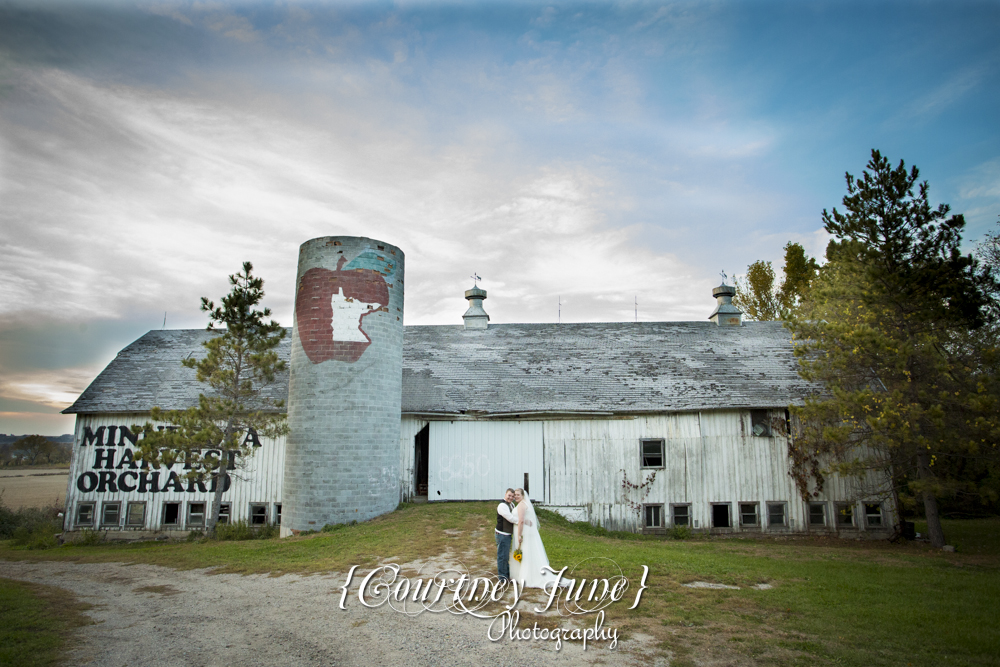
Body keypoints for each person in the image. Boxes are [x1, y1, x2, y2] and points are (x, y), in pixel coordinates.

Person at [509, 488, 566, 589]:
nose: (516, 496)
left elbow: (521, 521)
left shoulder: (522, 505)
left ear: (523, 495)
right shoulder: (525, 503)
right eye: (515, 495)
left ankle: (527, 577)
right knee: (529, 553)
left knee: (524, 553)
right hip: (528, 531)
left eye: (518, 495)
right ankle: (529, 573)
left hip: (523, 532)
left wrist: (519, 535)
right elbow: (525, 519)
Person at [495, 488, 518, 582]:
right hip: (502, 534)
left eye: (513, 496)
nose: (511, 497)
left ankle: (506, 574)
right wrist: (522, 522)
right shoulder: (502, 506)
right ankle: (502, 578)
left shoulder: (511, 504)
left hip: (507, 534)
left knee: (505, 556)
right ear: (505, 494)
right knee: (502, 556)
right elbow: (511, 518)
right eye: (509, 495)